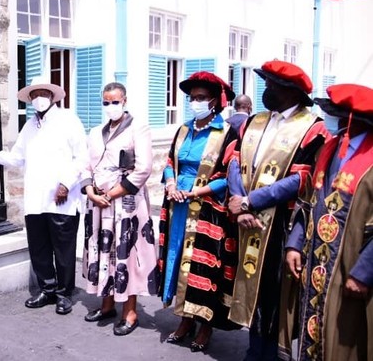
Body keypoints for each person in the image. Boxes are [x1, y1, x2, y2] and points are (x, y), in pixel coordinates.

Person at [225, 60, 328, 360]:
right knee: (250, 288)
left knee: (272, 294)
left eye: (272, 85)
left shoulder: (312, 128)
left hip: (281, 222)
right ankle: (253, 348)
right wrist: (238, 200)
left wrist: (251, 201)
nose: (266, 89)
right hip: (244, 218)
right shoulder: (253, 121)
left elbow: (303, 178)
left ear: (292, 92)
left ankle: (269, 353)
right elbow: (233, 160)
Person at [0, 76, 87, 315]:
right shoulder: (29, 126)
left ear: (52, 96)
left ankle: (65, 293)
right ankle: (47, 289)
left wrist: (66, 183)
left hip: (62, 199)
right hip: (35, 198)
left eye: (43, 94)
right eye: (34, 95)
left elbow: (82, 157)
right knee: (39, 248)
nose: (39, 99)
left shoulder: (69, 120)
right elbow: (16, 158)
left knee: (63, 250)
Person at [279, 83, 373, 361]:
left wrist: (363, 274)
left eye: (335, 114)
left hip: (350, 269)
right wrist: (294, 245)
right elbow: (307, 202)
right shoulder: (330, 149)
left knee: (345, 340)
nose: (330, 120)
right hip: (314, 266)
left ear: (352, 119)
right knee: (313, 334)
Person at [157, 71, 240, 352]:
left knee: (202, 265)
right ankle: (183, 319)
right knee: (178, 256)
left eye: (201, 98)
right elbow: (170, 160)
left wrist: (196, 191)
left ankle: (204, 324)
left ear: (215, 100)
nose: (195, 102)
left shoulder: (226, 132)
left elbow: (229, 173)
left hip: (207, 208)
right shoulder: (183, 129)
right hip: (178, 203)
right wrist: (170, 183)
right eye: (192, 98)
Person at [81, 82, 156, 336]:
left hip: (125, 203)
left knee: (126, 252)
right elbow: (85, 166)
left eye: (115, 101)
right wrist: (90, 191)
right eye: (106, 102)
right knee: (103, 251)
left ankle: (130, 311)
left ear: (124, 101)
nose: (110, 106)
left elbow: (144, 168)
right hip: (98, 203)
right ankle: (107, 304)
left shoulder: (138, 128)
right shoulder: (95, 132)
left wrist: (112, 193)